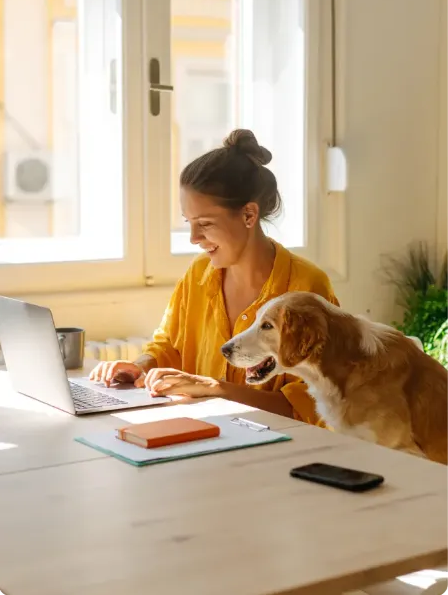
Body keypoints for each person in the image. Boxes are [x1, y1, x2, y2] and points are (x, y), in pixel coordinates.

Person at [90, 129, 339, 422]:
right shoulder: (198, 274)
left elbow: (312, 406)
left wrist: (217, 389)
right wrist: (140, 366)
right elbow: (169, 345)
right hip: (203, 435)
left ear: (249, 215)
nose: (194, 237)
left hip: (277, 450)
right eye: (189, 223)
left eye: (205, 223)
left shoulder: (306, 287)